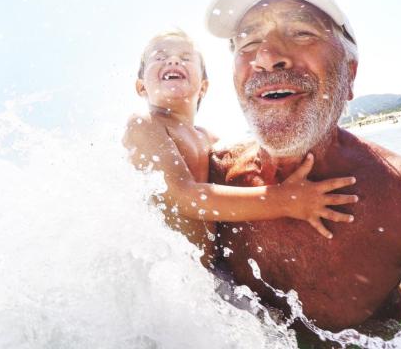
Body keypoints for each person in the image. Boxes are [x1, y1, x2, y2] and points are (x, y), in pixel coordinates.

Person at [204, 0, 401, 348]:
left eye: (301, 33)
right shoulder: (215, 181)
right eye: (248, 42)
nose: (267, 57)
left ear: (350, 73)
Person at [123, 29, 359, 268]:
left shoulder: (208, 137)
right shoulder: (145, 124)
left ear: (203, 87)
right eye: (160, 57)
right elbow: (184, 197)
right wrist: (285, 199)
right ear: (141, 87)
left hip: (209, 274)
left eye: (185, 57)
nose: (173, 60)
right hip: (168, 276)